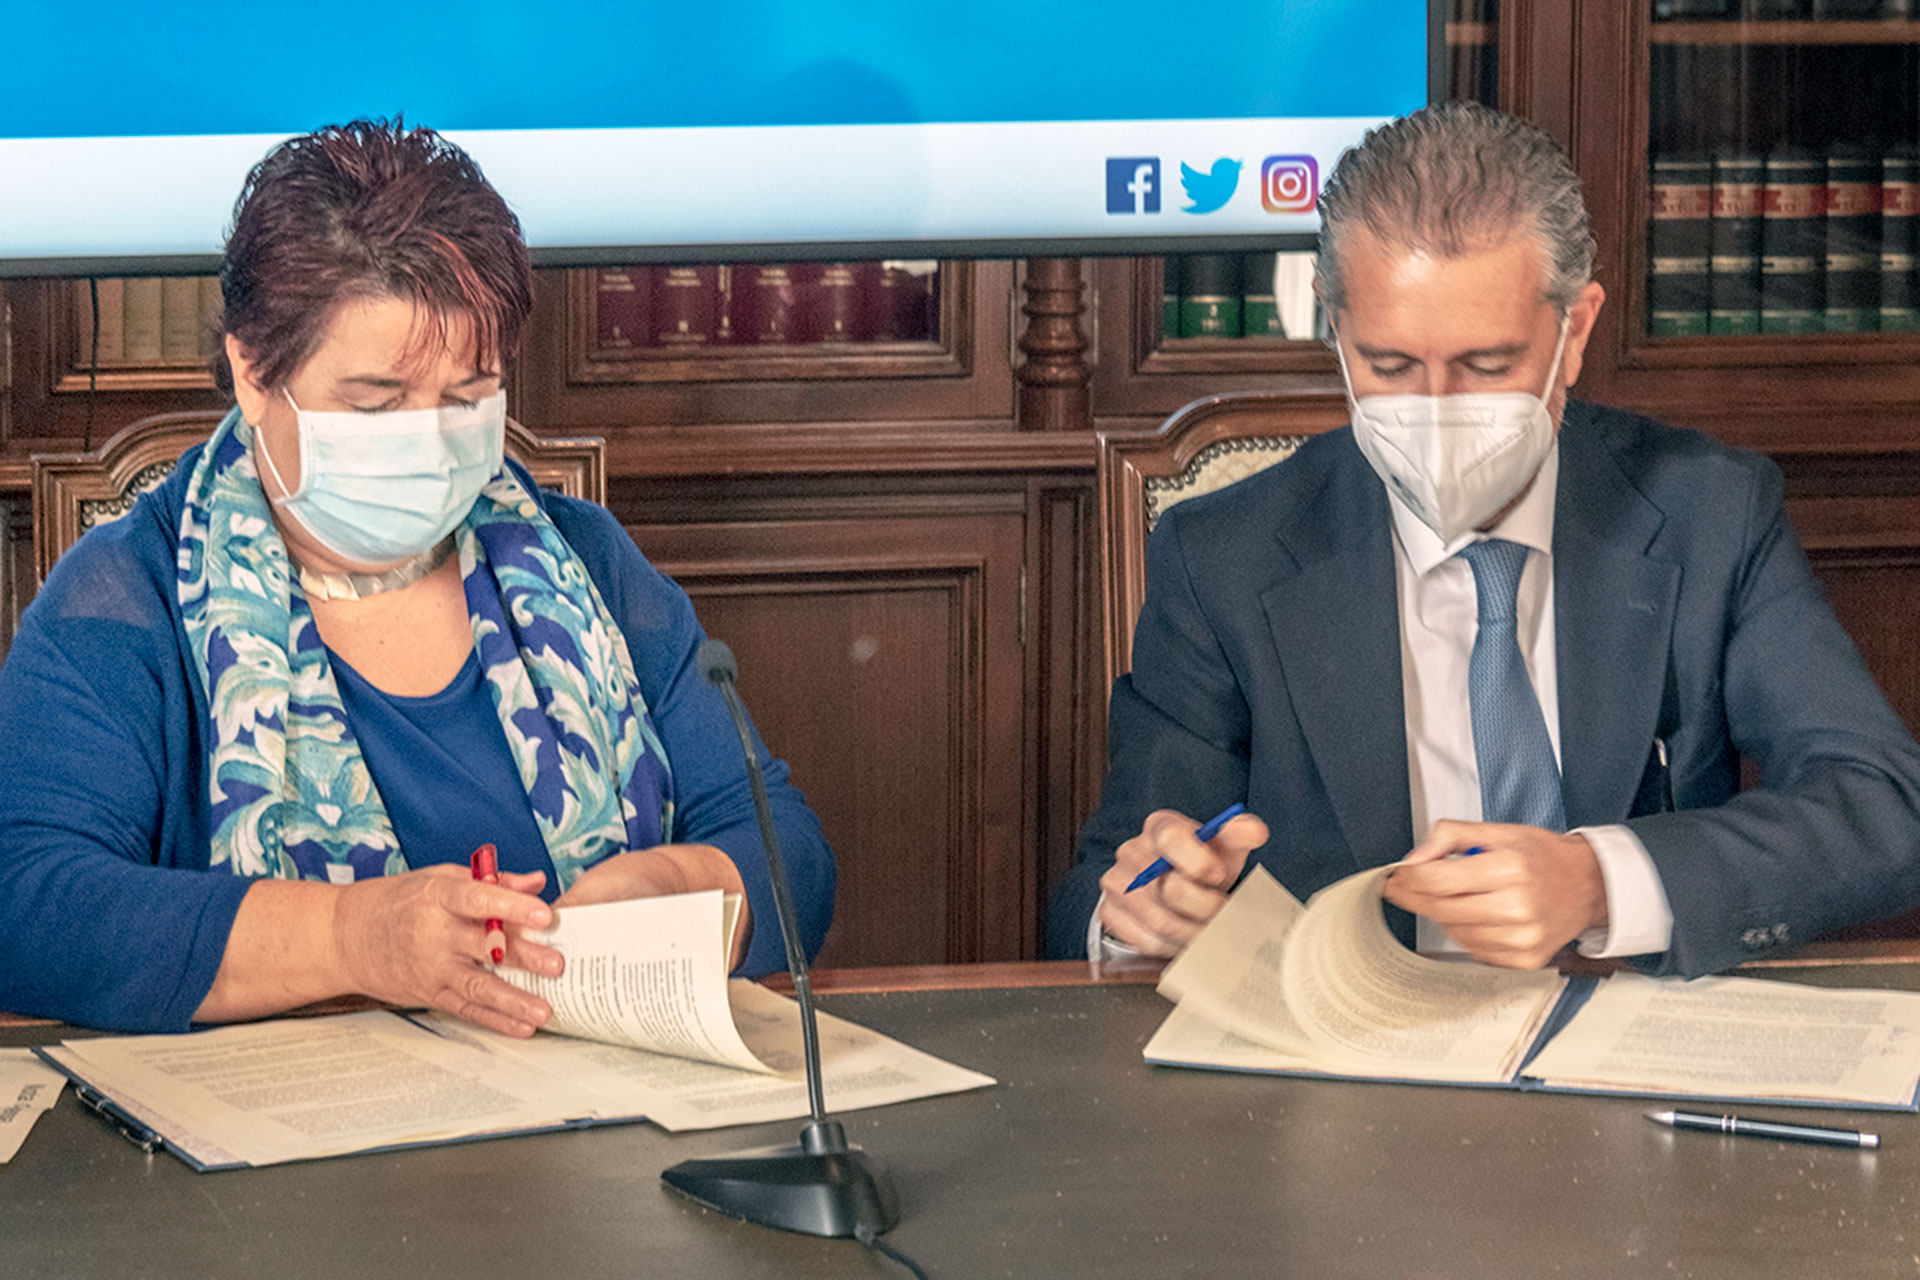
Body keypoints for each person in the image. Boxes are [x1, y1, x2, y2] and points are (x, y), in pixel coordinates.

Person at [1048, 102, 1920, 977]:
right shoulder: (1223, 555)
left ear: (1573, 332)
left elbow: (1881, 804)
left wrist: (1600, 880)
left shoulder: (1710, 512)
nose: (1434, 410)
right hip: (1339, 1076)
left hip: (1626, 1051)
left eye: (1488, 365)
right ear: (1336, 328)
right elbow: (1104, 885)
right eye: (1390, 367)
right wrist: (1141, 914)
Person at [0, 120, 834, 1034]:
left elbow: (784, 846)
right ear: (250, 371)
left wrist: (668, 888)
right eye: (378, 402)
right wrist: (353, 938)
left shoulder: (589, 563)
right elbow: (30, 907)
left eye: (468, 396)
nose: (431, 439)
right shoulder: (123, 605)